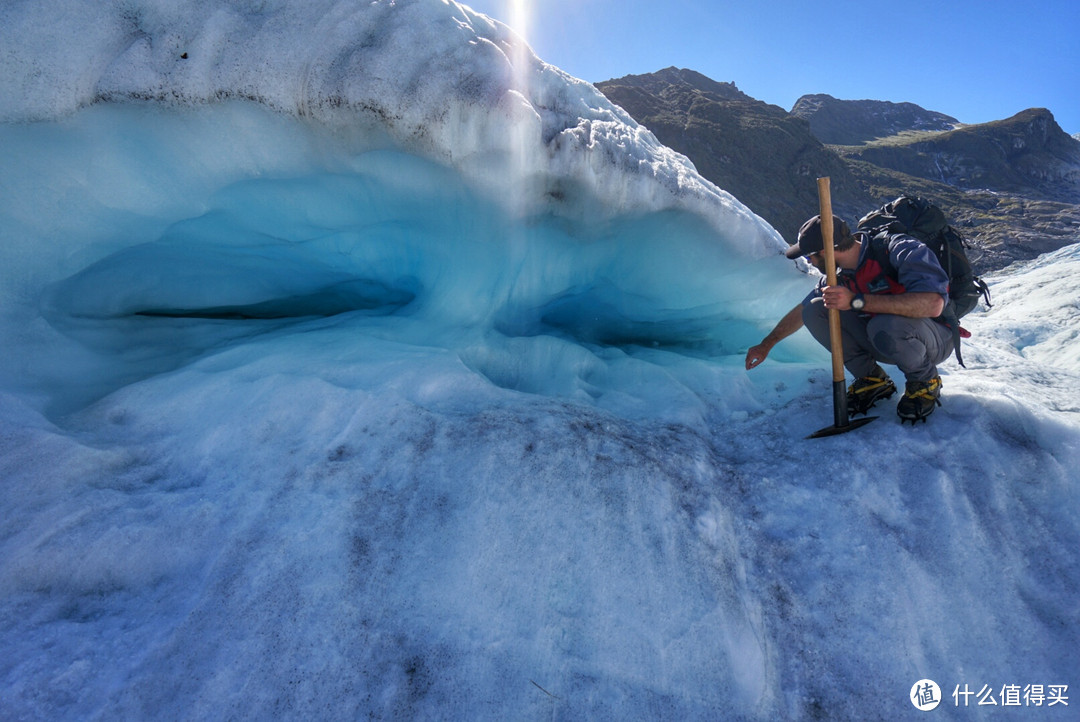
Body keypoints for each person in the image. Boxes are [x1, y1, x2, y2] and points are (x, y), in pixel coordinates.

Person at [745, 214, 954, 423]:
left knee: (883, 323)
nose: (811, 262)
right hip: (887, 338)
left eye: (810, 257)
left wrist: (857, 301)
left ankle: (925, 381)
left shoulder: (899, 249)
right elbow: (802, 310)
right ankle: (872, 379)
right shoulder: (840, 276)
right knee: (816, 310)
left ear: (825, 251)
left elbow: (933, 304)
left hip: (933, 340)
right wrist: (767, 344)